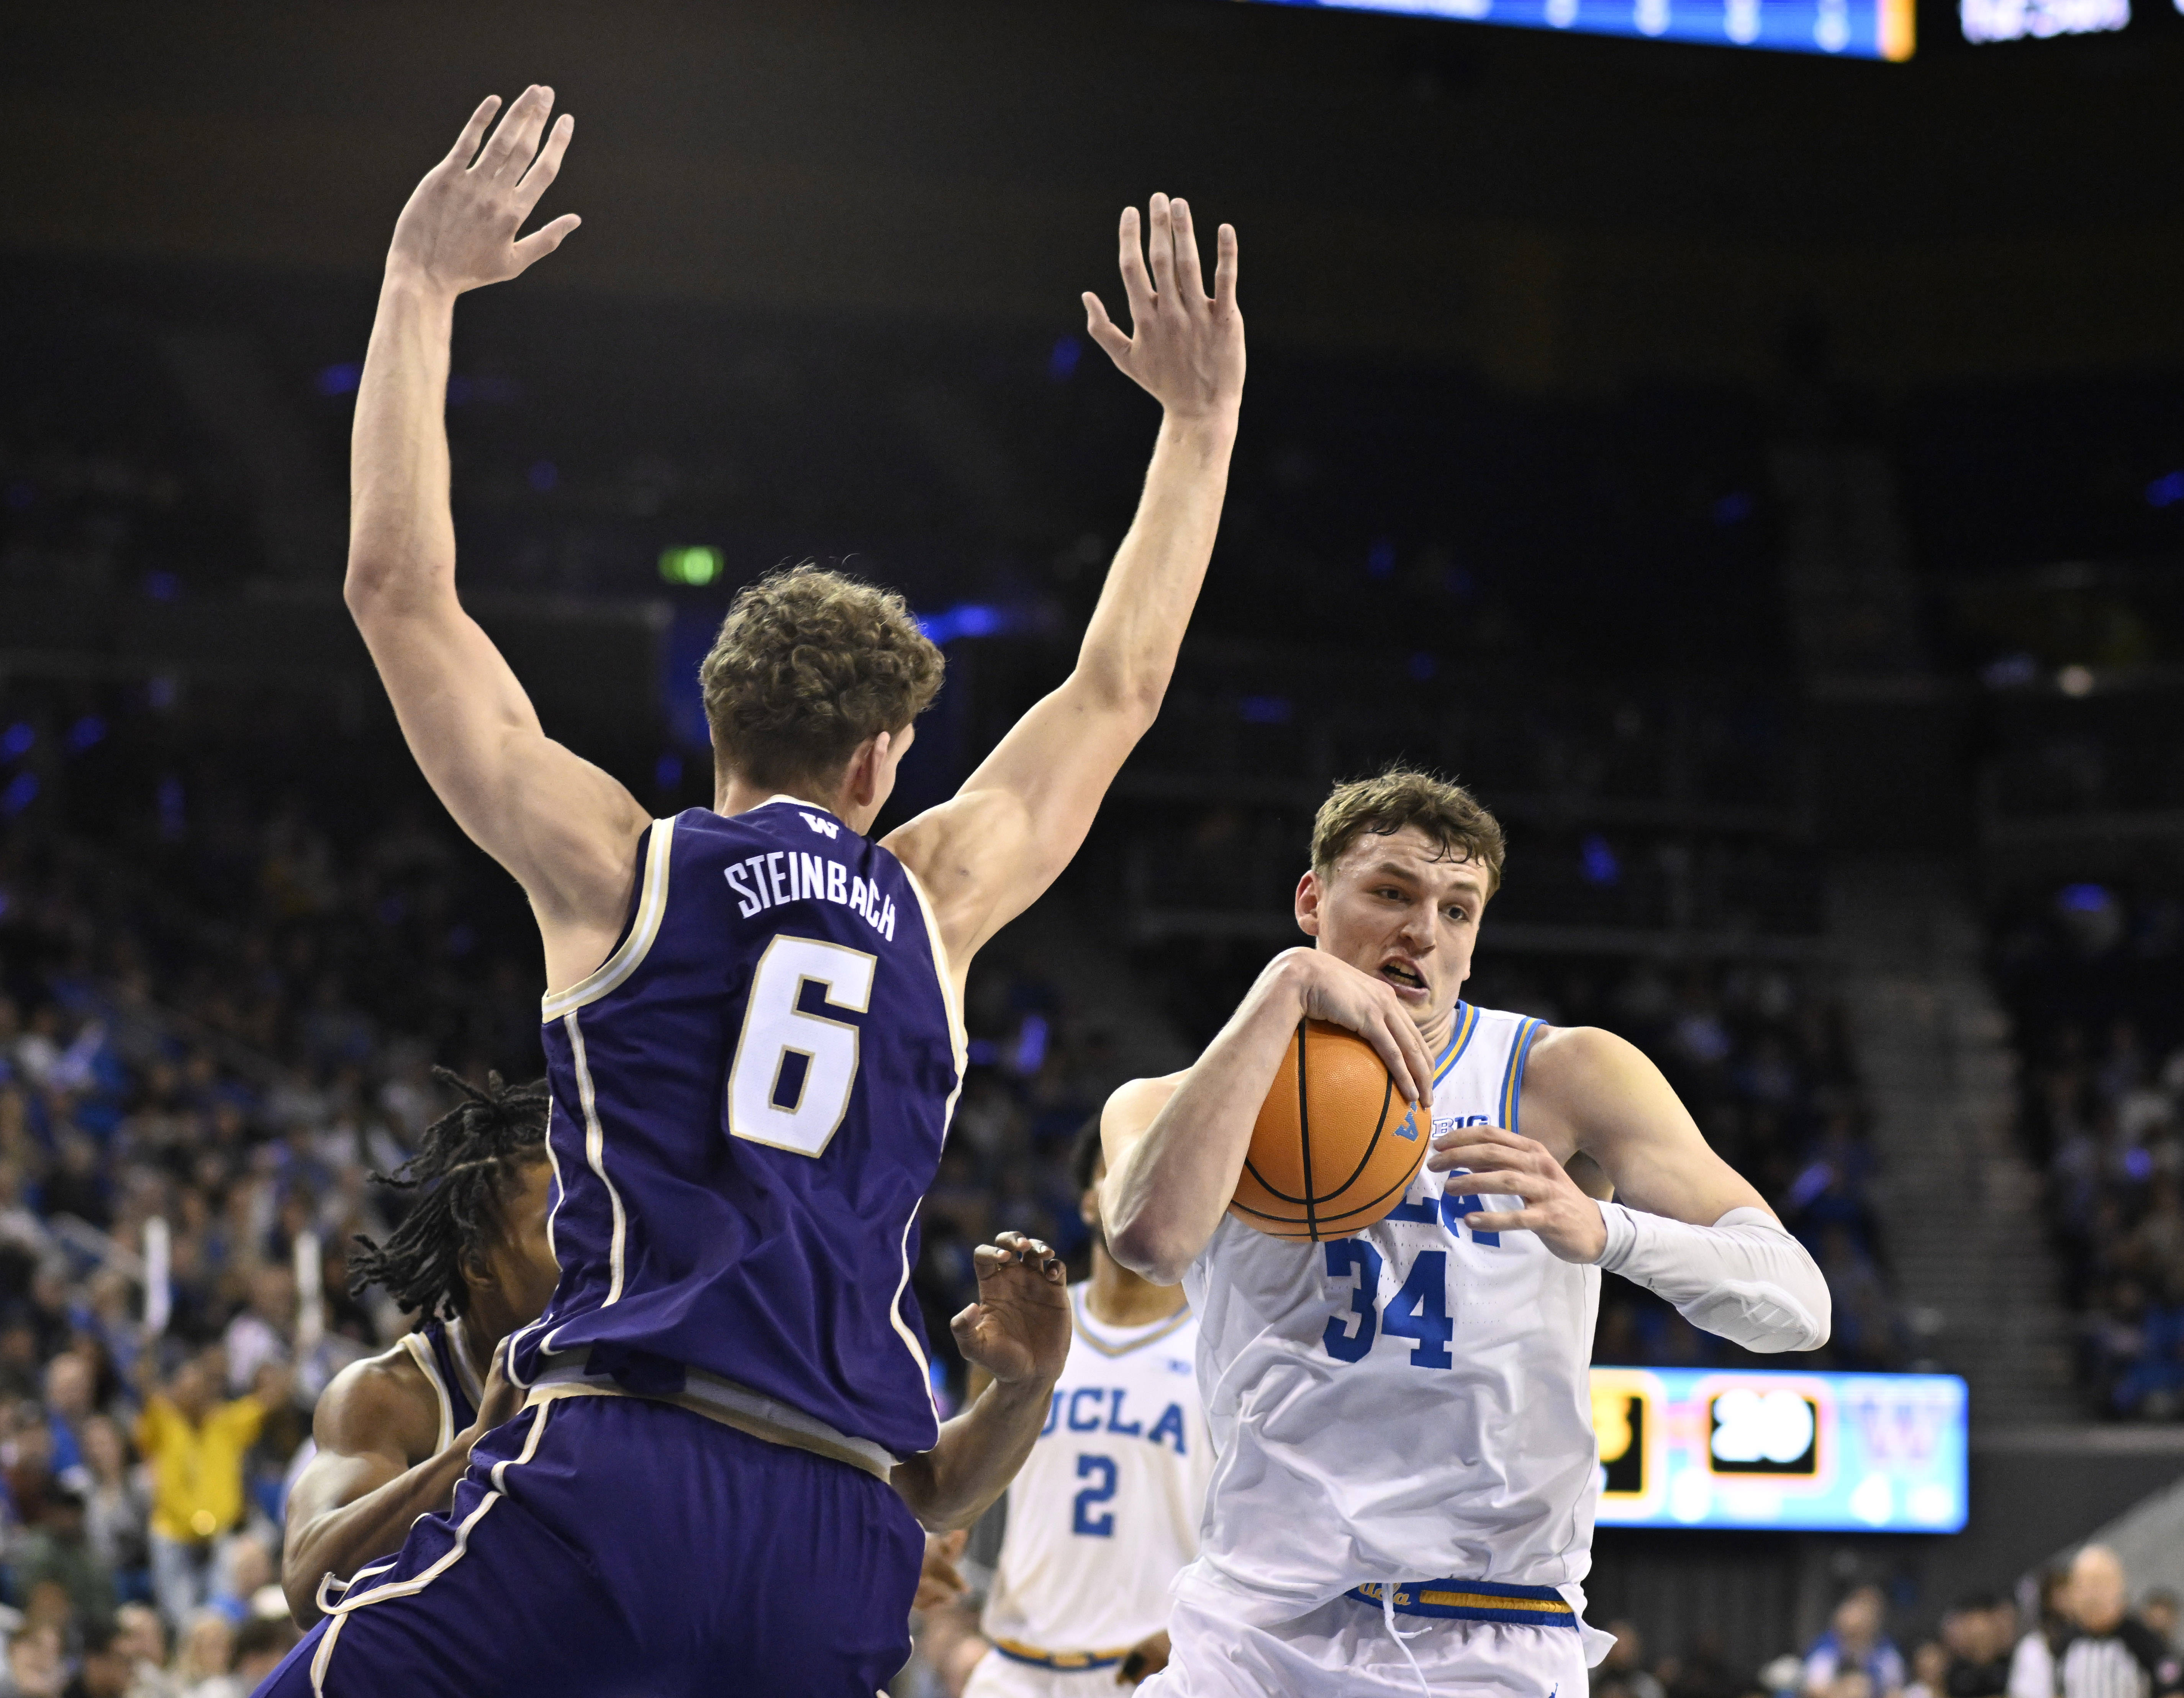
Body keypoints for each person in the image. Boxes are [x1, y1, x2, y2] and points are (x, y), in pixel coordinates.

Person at [259, 78, 1244, 1698]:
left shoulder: (617, 863)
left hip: (628, 1470)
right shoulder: (939, 892)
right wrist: (1198, 425)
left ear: (715, 724)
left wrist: (420, 283)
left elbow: (397, 590)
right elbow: (1117, 689)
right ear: (883, 759)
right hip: (845, 1521)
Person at [1099, 770, 1831, 1696]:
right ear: (1311, 900)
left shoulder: (1561, 1073)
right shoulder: (1168, 1102)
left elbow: (1796, 1303)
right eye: (1391, 892)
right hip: (1254, 1626)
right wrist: (1286, 985)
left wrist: (1605, 1228)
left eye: (1457, 909)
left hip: (1485, 1630)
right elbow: (1150, 1239)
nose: (1422, 931)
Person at [277, 1073, 555, 1626]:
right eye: (555, 1227)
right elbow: (308, 1579)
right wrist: (474, 1451)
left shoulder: (628, 1355)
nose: (589, 1243)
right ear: (479, 1265)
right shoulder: (387, 1395)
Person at [957, 1122, 1212, 1695]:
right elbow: (961, 1505)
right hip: (1012, 1669)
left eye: (1165, 1170)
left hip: (1153, 1674)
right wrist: (951, 1636)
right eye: (1123, 1167)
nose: (1144, 1185)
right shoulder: (1027, 1331)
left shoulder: (1223, 1345)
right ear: (1088, 1200)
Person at [133, 1353, 268, 1629]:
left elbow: (266, 1401)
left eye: (199, 1388)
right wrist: (146, 1353)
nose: (193, 1396)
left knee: (222, 1617)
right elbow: (145, 1387)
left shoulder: (227, 1422)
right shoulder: (163, 1420)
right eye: (186, 1388)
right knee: (182, 1621)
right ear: (174, 1391)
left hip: (219, 1536)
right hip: (173, 1534)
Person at [2009, 1546, 2182, 1698]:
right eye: (2084, 1586)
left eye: (2100, 1584)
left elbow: (2172, 1690)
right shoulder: (2066, 1641)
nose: (2092, 1596)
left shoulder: (2142, 1640)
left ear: (2118, 1587)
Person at [1804, 1586, 1906, 1698]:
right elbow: (1815, 1690)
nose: (1861, 1619)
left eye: (1869, 1613)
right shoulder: (1826, 1648)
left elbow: (1896, 1691)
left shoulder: (1886, 1651)